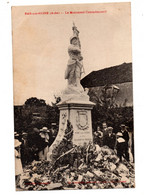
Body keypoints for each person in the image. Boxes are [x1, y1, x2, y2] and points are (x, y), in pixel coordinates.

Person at [65, 24, 84, 91]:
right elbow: (77, 50)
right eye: (74, 40)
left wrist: (81, 57)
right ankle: (70, 85)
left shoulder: (77, 45)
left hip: (77, 62)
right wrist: (79, 52)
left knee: (78, 73)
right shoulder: (70, 46)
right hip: (72, 61)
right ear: (71, 41)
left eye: (76, 40)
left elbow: (79, 53)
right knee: (71, 73)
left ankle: (77, 84)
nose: (75, 41)